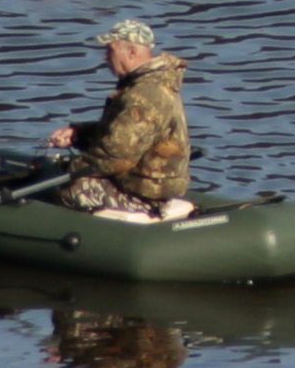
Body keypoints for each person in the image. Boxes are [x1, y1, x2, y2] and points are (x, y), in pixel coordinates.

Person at [44, 16, 192, 217]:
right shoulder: (153, 84)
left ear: (131, 52)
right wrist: (79, 135)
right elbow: (122, 133)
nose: (105, 57)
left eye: (110, 50)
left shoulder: (144, 95)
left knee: (66, 189)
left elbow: (115, 157)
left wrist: (69, 168)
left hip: (145, 195)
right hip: (147, 185)